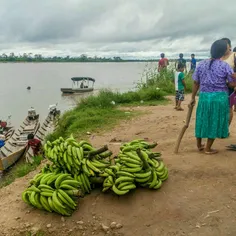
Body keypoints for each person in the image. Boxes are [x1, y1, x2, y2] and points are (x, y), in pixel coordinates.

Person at [190, 39, 236, 155]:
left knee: (202, 119)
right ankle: (208, 148)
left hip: (204, 97)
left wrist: (192, 97)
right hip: (219, 98)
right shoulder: (224, 66)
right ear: (223, 52)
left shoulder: (201, 64)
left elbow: (196, 83)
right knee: (214, 120)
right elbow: (232, 84)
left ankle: (199, 145)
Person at [221, 38, 236, 121]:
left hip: (230, 86)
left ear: (229, 46)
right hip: (218, 86)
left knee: (228, 108)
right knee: (220, 108)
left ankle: (226, 129)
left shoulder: (234, 55)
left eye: (225, 44)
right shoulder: (218, 56)